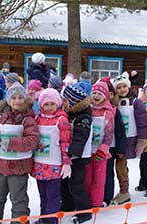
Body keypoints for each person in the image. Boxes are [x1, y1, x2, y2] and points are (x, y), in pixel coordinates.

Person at [0, 82, 39, 222]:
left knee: (18, 200)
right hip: (2, 166)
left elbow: (32, 140)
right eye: (13, 98)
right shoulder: (3, 117)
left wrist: (12, 143)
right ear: (8, 100)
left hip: (19, 167)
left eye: (20, 97)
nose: (17, 101)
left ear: (25, 99)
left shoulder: (28, 119)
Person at [32, 88, 71, 224]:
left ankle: (51, 219)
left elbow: (65, 142)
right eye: (46, 104)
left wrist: (66, 162)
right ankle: (44, 217)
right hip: (39, 164)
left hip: (54, 164)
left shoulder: (61, 120)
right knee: (43, 194)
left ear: (58, 104)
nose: (49, 107)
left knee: (53, 195)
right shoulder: (37, 119)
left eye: (52, 104)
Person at [110, 72, 147, 205]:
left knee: (120, 165)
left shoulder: (136, 102)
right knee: (119, 165)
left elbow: (142, 122)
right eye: (118, 88)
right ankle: (122, 190)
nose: (122, 90)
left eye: (124, 87)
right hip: (115, 140)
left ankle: (124, 192)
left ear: (129, 86)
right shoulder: (114, 102)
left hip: (129, 140)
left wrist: (141, 140)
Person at [60, 84, 93, 223]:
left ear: (72, 101)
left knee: (76, 184)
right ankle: (68, 205)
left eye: (65, 100)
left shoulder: (83, 117)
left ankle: (84, 212)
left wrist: (72, 153)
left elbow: (81, 136)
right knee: (65, 181)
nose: (63, 103)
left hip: (79, 157)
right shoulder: (71, 114)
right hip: (70, 156)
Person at [84, 82, 115, 207]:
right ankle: (86, 201)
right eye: (94, 93)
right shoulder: (87, 110)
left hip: (100, 152)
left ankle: (96, 202)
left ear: (105, 96)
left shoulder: (108, 112)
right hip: (87, 151)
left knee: (99, 178)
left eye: (100, 93)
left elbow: (109, 133)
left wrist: (103, 150)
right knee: (87, 177)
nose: (96, 95)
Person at [100, 77, 126, 207]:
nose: (108, 96)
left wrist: (121, 149)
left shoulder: (114, 110)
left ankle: (107, 196)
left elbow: (120, 131)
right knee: (99, 173)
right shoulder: (95, 109)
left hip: (112, 146)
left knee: (108, 172)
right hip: (98, 146)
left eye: (111, 93)